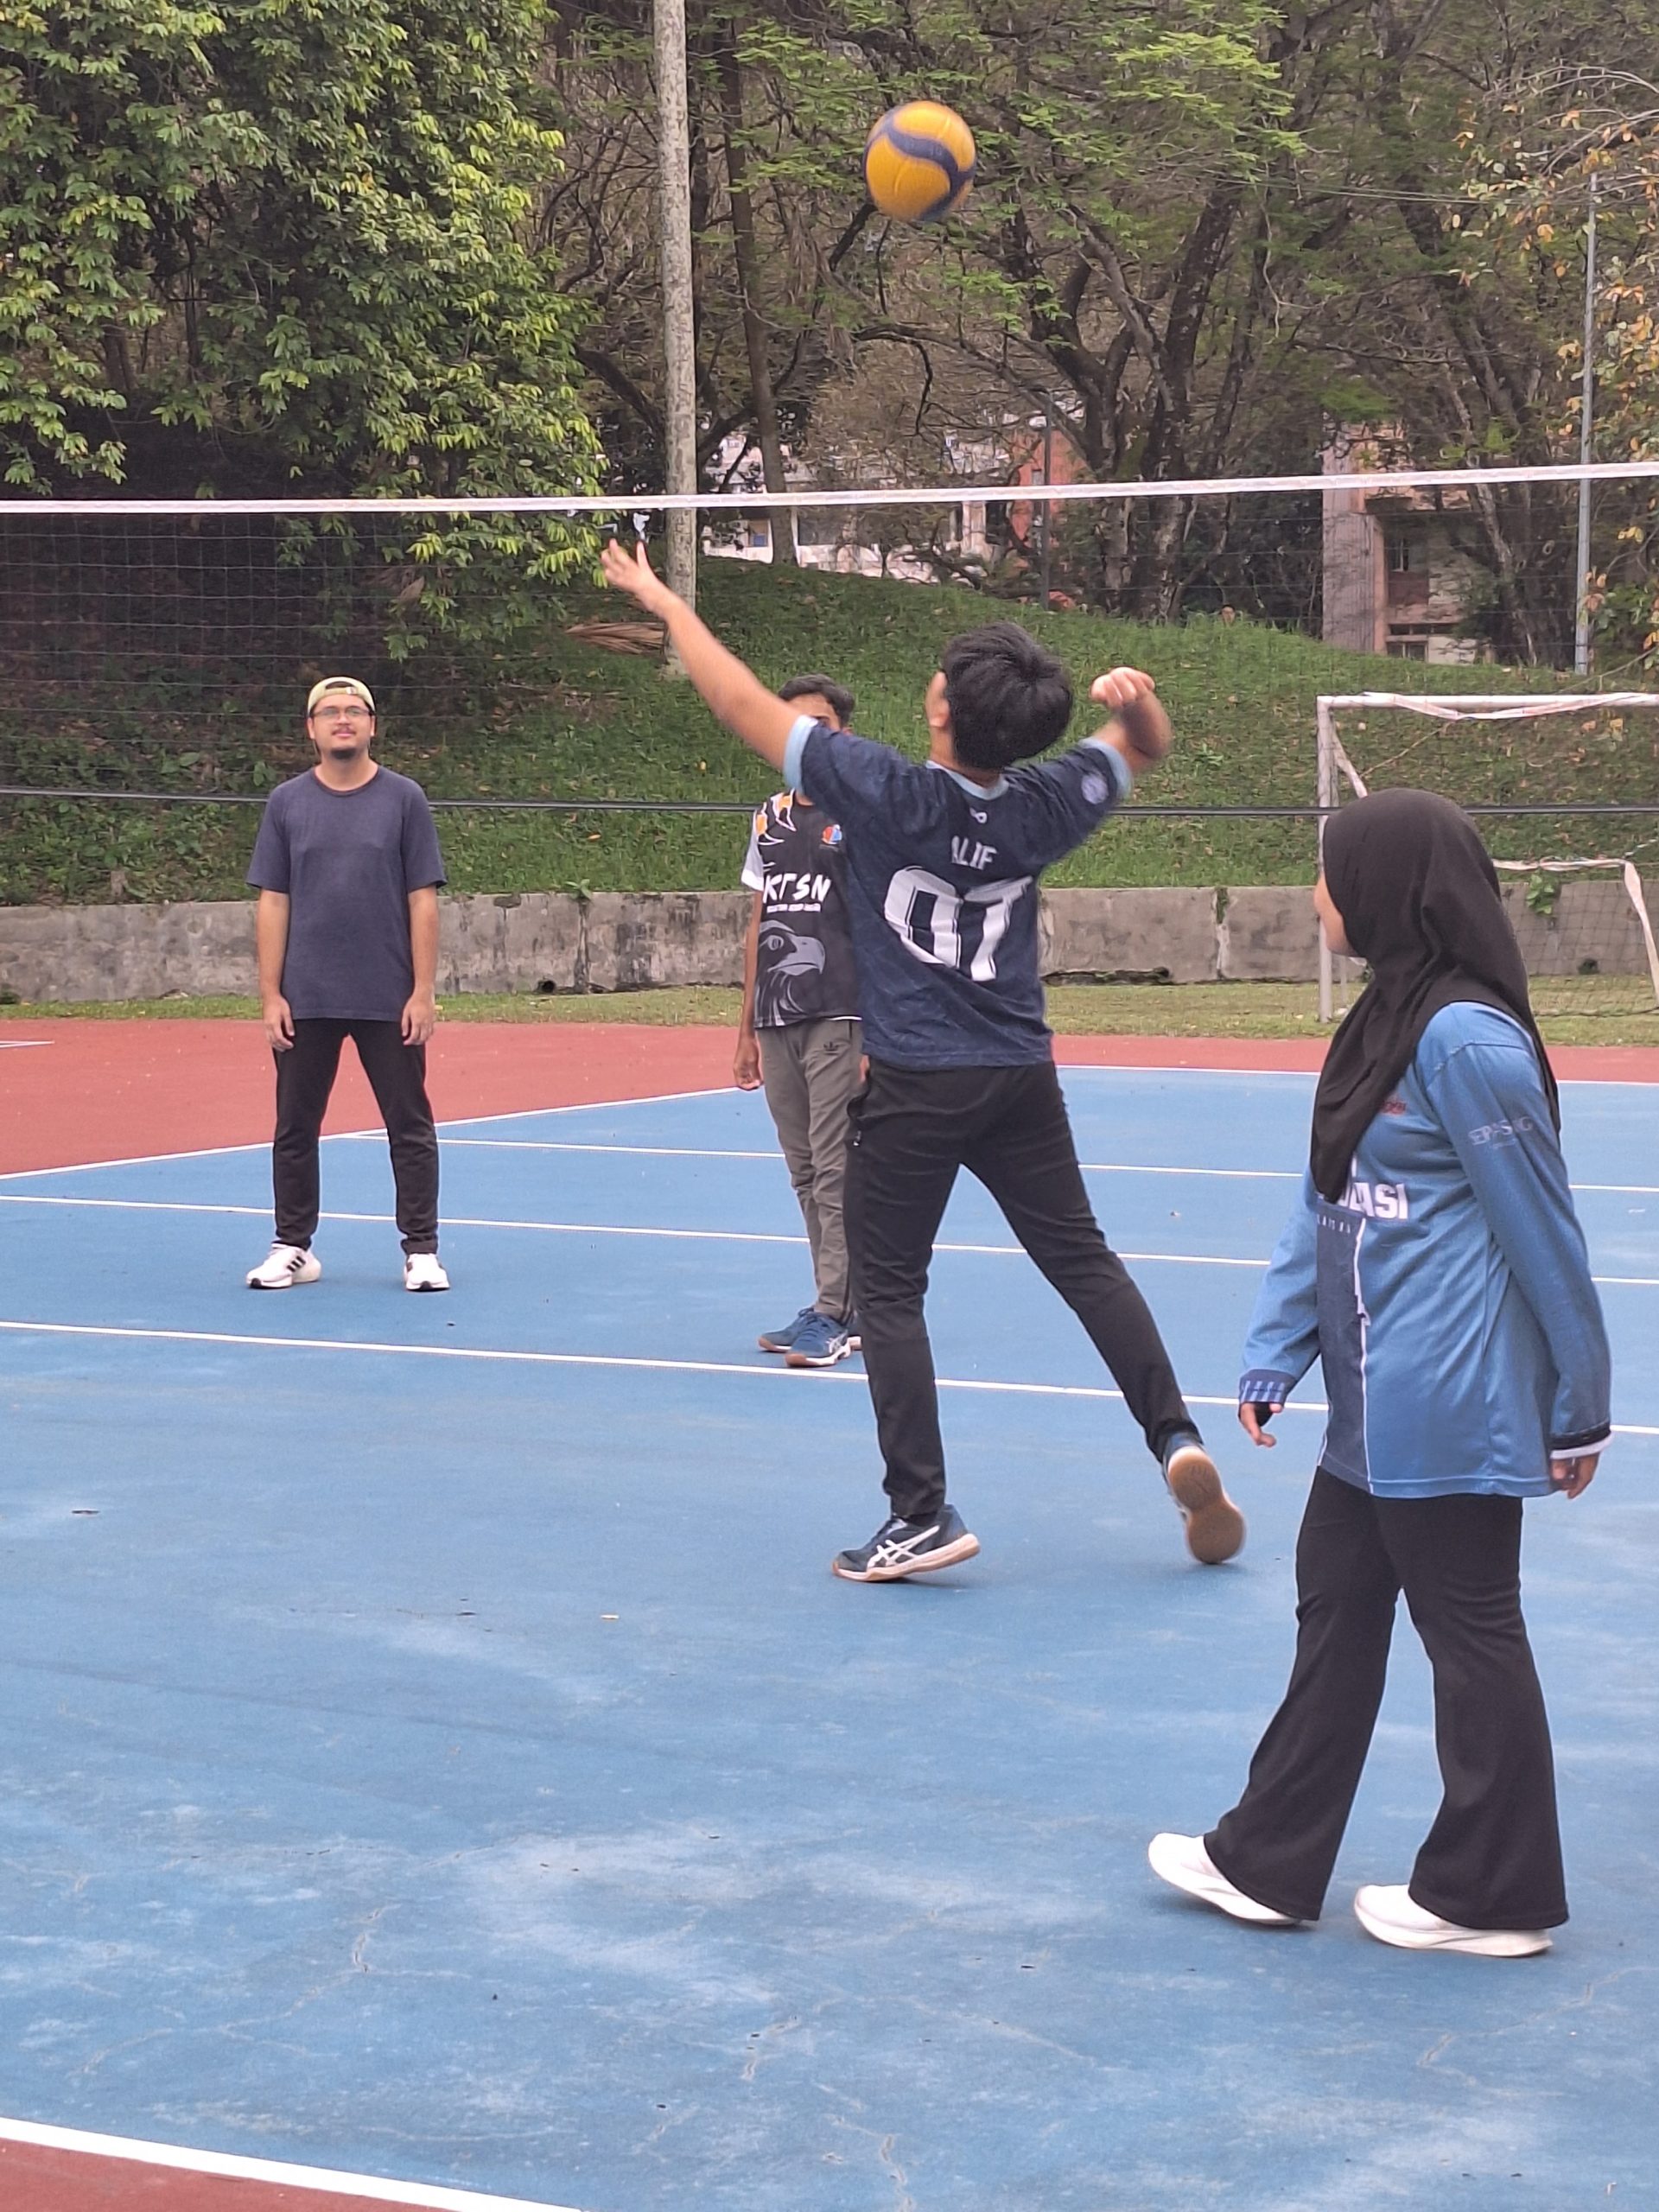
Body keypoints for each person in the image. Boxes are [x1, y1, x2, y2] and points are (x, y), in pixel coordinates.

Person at [600, 534, 1241, 1582]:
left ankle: (922, 1512)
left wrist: (669, 605)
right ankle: (1175, 1436)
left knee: (889, 1291)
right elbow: (1146, 744)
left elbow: (741, 703)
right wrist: (1138, 702)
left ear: (942, 706)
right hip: (1019, 1075)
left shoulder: (883, 790)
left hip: (915, 1080)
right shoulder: (1044, 802)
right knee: (1083, 1261)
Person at [1149, 789, 1611, 1957]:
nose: (1317, 894)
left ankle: (1493, 1895)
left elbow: (1545, 1230)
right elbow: (1329, 1195)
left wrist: (1579, 1403)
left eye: (1330, 873)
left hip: (1449, 1395)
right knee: (1338, 1607)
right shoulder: (1383, 1020)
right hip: (1373, 1395)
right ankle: (1267, 1860)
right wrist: (1278, 1344)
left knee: (1470, 1629)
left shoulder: (1466, 1041)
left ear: (1387, 888)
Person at [244, 676, 450, 1294]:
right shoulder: (286, 803)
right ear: (311, 729)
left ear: (372, 725)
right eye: (330, 711)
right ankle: (293, 1247)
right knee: (294, 1127)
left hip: (389, 996)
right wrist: (271, 994)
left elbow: (422, 899)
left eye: (354, 710)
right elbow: (273, 901)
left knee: (409, 1126)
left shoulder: (405, 799)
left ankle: (421, 1251)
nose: (343, 719)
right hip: (306, 997)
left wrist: (422, 990)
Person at [734, 673, 862, 1370]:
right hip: (777, 1016)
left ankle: (835, 1310)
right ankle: (838, 1299)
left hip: (841, 1011)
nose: (803, 738)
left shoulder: (865, 812)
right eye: (790, 726)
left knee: (836, 1165)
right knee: (806, 1170)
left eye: (819, 725)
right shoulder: (770, 818)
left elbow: (886, 923)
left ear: (843, 734)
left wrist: (883, 1026)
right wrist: (745, 1030)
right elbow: (760, 923)